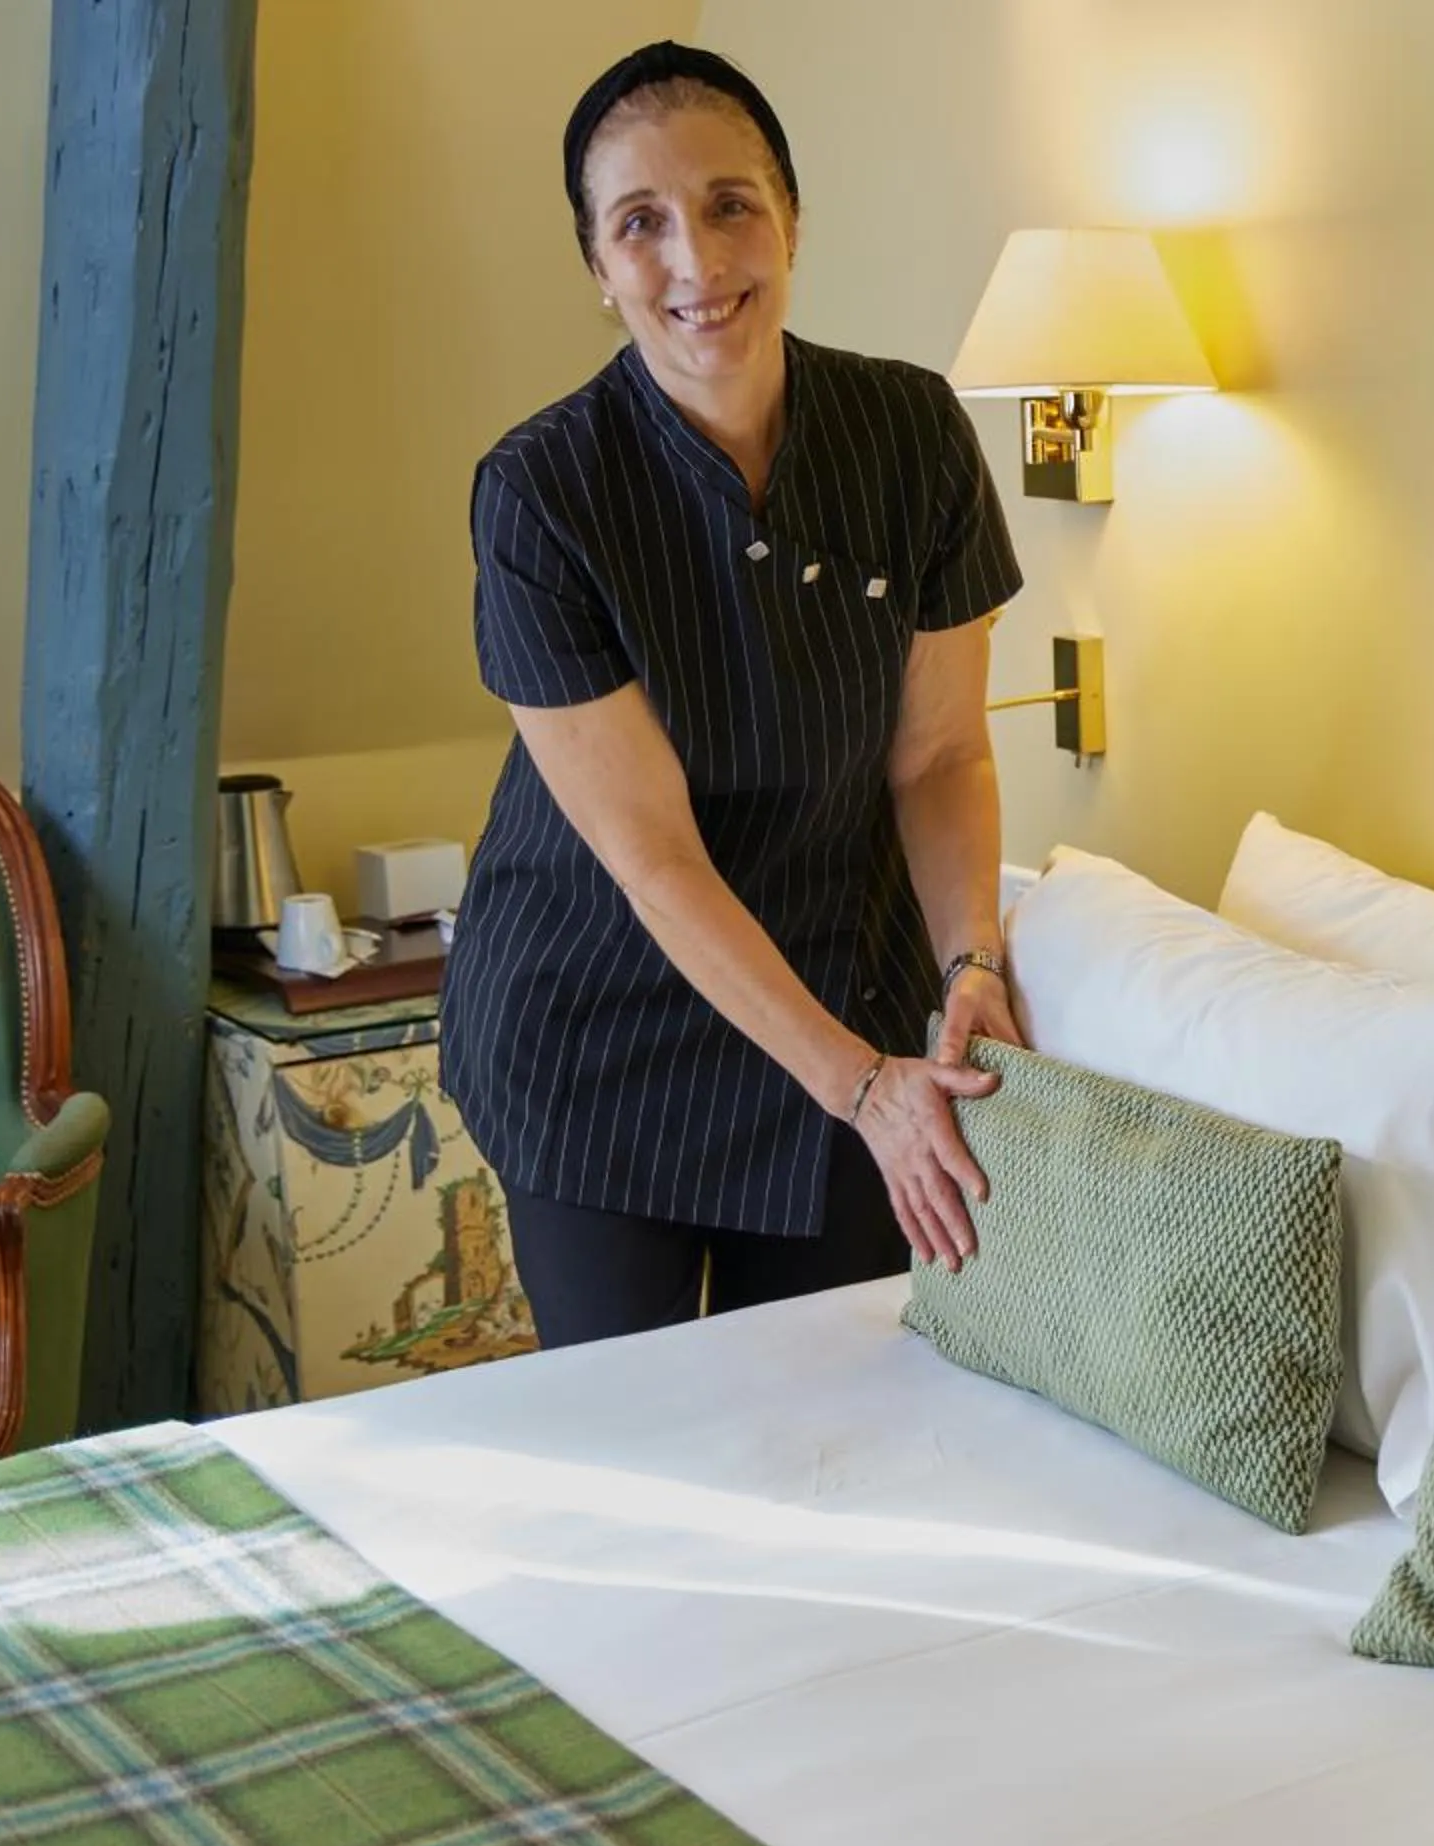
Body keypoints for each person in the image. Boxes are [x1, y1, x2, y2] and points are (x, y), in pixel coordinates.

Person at [438, 41, 1024, 1348]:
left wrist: (969, 953)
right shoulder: (542, 495)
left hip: (840, 976)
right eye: (640, 224)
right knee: (642, 1432)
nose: (697, 266)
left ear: (790, 219)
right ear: (598, 270)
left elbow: (935, 759)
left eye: (729, 203)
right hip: (599, 1034)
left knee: (837, 1401)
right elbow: (654, 860)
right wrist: (863, 1084)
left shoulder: (916, 435)